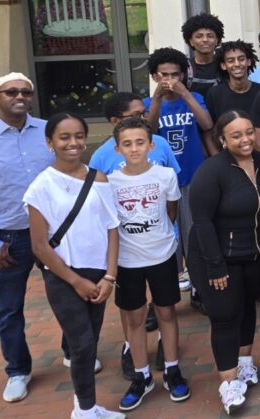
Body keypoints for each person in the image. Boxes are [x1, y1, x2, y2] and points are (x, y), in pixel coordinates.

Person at [24, 113, 122, 418]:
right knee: (80, 345)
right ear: (49, 142)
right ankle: (82, 412)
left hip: (98, 274)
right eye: (64, 137)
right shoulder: (41, 186)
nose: (73, 143)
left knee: (90, 343)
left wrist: (109, 276)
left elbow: (112, 228)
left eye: (79, 135)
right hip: (63, 276)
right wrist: (76, 281)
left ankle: (87, 407)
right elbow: (40, 245)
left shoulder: (98, 178)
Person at [187, 110, 260, 414]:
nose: (245, 139)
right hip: (218, 257)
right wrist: (215, 265)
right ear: (222, 139)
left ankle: (245, 363)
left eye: (249, 132)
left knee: (247, 307)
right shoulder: (211, 171)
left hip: (256, 255)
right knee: (225, 316)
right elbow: (202, 223)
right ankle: (228, 382)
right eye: (236, 135)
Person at [108, 117, 190, 409]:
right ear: (117, 149)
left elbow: (171, 211)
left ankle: (172, 368)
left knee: (167, 312)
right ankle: (141, 375)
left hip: (162, 255)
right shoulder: (110, 182)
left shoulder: (165, 175)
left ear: (151, 145)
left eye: (140, 142)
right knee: (135, 318)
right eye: (127, 144)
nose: (134, 149)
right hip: (128, 260)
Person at [0, 73, 54, 403]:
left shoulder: (47, 131)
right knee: (10, 309)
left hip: (51, 234)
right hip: (7, 239)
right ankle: (18, 370)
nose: (20, 96)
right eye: (11, 91)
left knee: (65, 297)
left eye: (26, 91)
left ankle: (73, 352)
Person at [144, 47, 215, 313]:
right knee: (165, 240)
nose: (170, 80)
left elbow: (207, 124)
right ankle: (162, 298)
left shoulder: (193, 96)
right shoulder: (149, 103)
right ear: (154, 76)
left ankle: (199, 289)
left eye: (176, 74)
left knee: (193, 236)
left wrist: (186, 94)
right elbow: (148, 131)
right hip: (162, 183)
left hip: (193, 176)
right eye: (164, 75)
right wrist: (157, 100)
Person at [90, 93, 180, 175]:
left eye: (144, 113)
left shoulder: (160, 142)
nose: (143, 119)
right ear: (115, 121)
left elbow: (172, 178)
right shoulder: (101, 156)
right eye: (136, 115)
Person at [206, 40, 260, 123]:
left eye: (241, 59)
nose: (237, 64)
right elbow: (212, 129)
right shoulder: (215, 94)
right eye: (230, 61)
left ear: (248, 61)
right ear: (223, 65)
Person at [182, 12, 225, 95]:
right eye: (199, 36)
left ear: (217, 40)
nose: (205, 40)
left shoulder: (227, 66)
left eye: (210, 36)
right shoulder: (184, 69)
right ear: (190, 41)